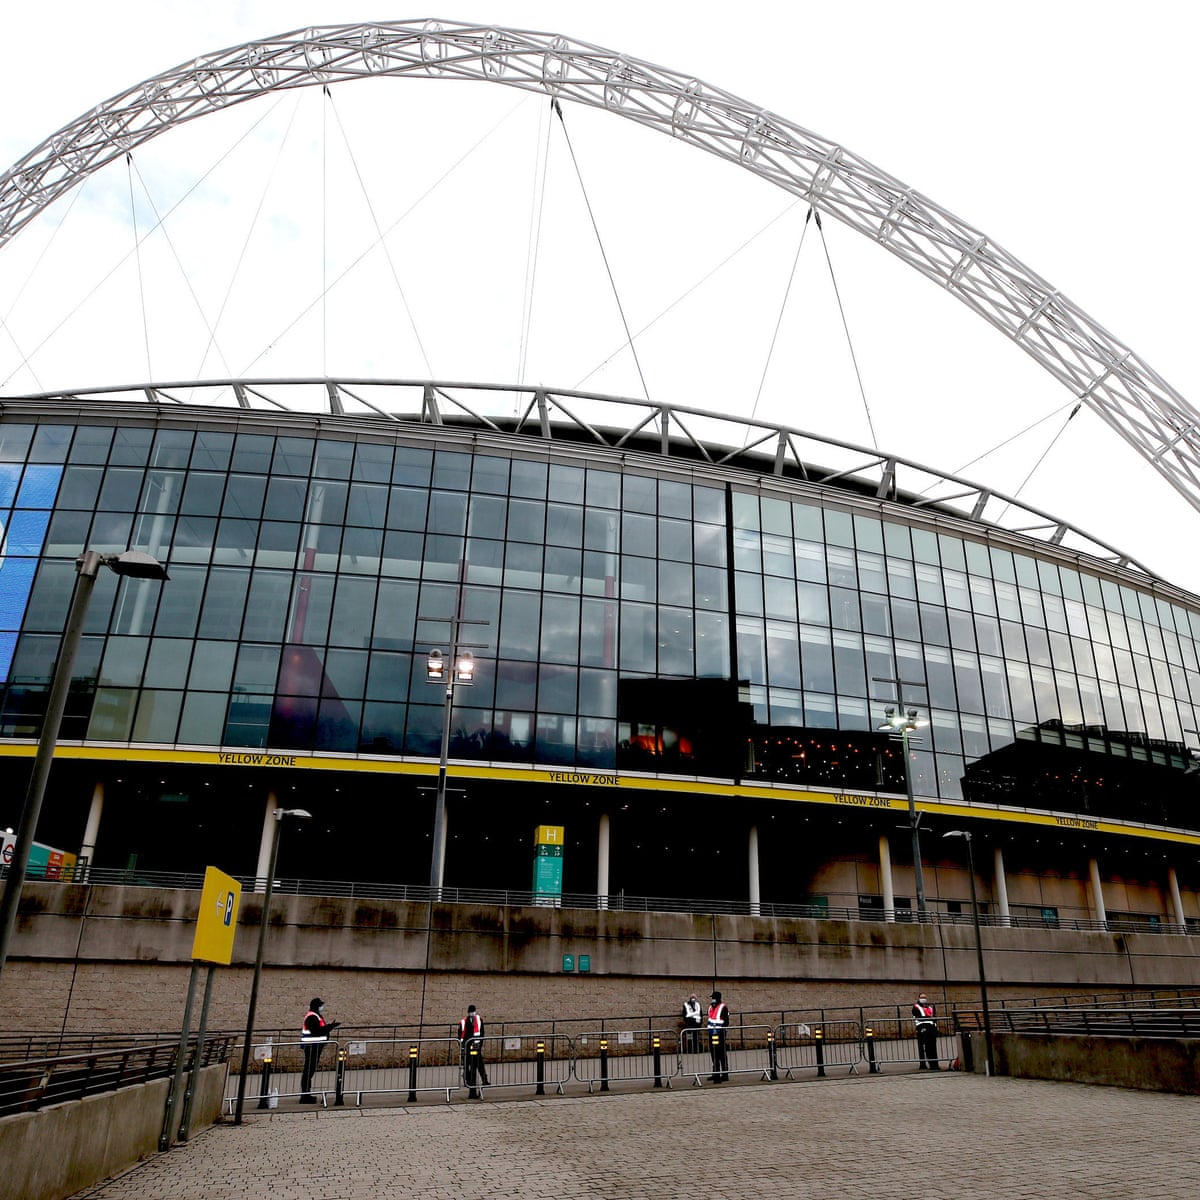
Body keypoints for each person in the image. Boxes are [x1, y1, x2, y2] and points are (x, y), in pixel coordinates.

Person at [299, 997, 341, 1102]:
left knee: (310, 1070)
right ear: (317, 1006)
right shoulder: (312, 1017)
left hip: (315, 1046)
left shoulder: (316, 1016)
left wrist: (329, 1027)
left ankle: (306, 1094)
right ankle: (305, 1096)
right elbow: (317, 1031)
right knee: (309, 1070)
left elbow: (319, 1029)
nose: (322, 1007)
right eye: (321, 1005)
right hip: (312, 1046)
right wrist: (330, 1027)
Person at [458, 1003, 490, 1098]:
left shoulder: (475, 1021)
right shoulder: (468, 1021)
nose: (472, 1013)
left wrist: (478, 1045)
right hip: (471, 1048)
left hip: (472, 1048)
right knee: (472, 1065)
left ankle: (480, 1080)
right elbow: (461, 1034)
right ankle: (472, 1082)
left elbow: (481, 1033)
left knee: (476, 1065)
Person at [912, 991, 940, 1070]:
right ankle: (931, 1064)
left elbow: (933, 1017)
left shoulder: (930, 1007)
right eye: (922, 997)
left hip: (931, 1028)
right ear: (919, 998)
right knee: (927, 1046)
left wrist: (934, 1026)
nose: (923, 999)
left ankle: (935, 1064)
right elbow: (917, 1017)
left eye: (924, 997)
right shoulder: (916, 1007)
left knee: (933, 1046)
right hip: (922, 1027)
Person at [707, 990, 730, 1082]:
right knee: (713, 1054)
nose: (712, 999)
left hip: (720, 1033)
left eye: (713, 998)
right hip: (711, 1033)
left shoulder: (723, 1007)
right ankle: (715, 1073)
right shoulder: (711, 1007)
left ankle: (725, 1074)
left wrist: (721, 1030)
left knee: (721, 1054)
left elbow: (726, 1021)